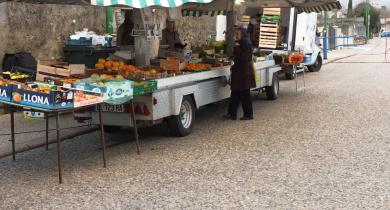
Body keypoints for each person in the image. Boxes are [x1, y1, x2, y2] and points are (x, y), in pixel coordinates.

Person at [224, 27, 256, 121]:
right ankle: (232, 114)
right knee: (235, 94)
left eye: (237, 34)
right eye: (235, 34)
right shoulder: (243, 42)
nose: (236, 36)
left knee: (244, 94)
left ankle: (248, 115)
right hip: (240, 72)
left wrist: (237, 47)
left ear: (242, 34)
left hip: (243, 73)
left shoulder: (245, 42)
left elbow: (244, 57)